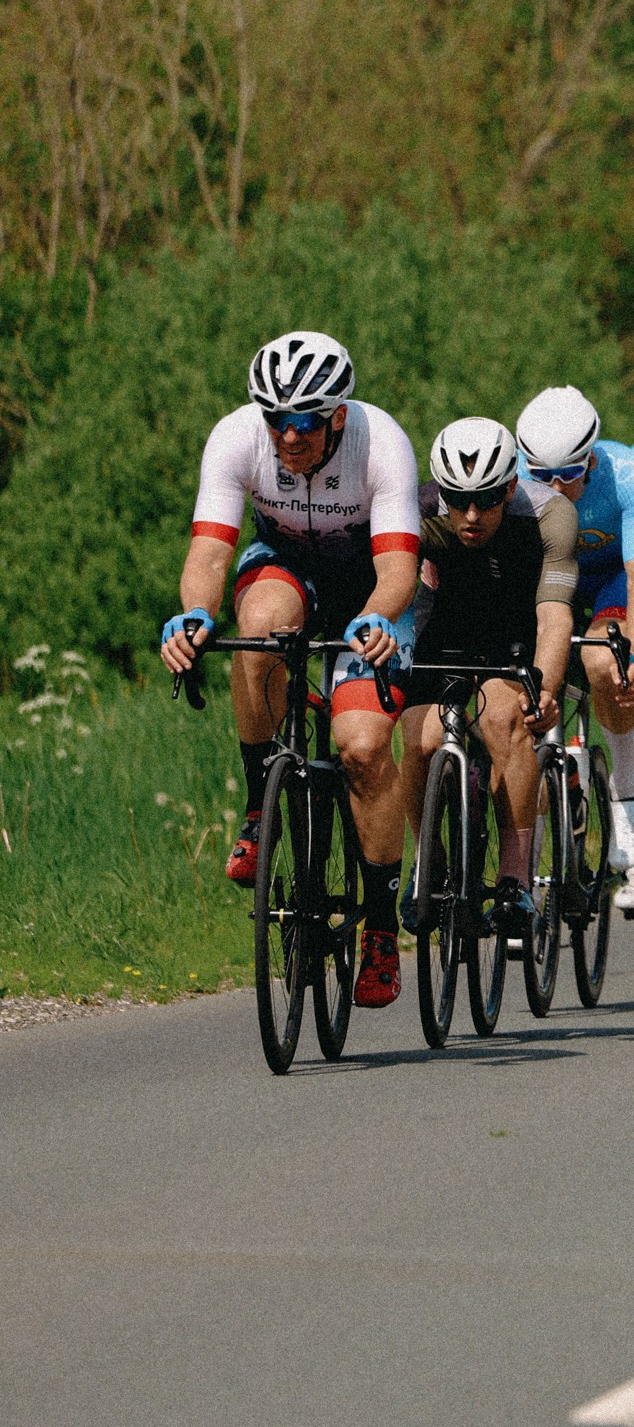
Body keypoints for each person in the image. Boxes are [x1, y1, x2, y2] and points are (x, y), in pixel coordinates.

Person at [160, 332, 419, 1008]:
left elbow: (399, 568)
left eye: (305, 421)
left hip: (369, 586)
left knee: (362, 748)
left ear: (338, 415)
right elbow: (209, 555)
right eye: (277, 419)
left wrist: (376, 616)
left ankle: (381, 929)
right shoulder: (237, 436)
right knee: (258, 632)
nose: (289, 436)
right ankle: (259, 806)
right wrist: (194, 615)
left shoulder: (381, 442)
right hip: (285, 565)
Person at [398, 419, 578, 934]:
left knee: (505, 719)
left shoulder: (551, 514)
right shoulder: (415, 509)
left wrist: (546, 690)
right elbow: (392, 588)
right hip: (444, 627)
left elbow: (554, 615)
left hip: (514, 632)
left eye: (487, 500)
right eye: (458, 501)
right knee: (419, 738)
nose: (472, 516)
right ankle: (428, 861)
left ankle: (515, 880)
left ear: (512, 487)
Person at [515, 386, 634, 906]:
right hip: (548, 585)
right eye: (542, 477)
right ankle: (521, 877)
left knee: (605, 664)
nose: (555, 488)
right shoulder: (513, 476)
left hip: (609, 584)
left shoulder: (627, 473)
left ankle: (624, 788)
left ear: (591, 460)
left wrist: (633, 657)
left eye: (569, 475)